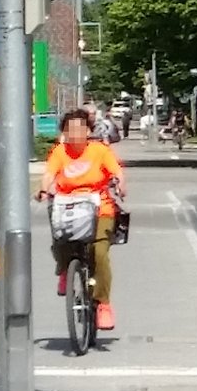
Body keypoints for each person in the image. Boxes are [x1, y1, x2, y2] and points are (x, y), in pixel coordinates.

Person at [39, 110, 127, 331]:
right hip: (68, 206)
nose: (76, 134)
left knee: (99, 254)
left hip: (100, 208)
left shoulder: (100, 150)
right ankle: (64, 270)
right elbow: (49, 174)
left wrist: (120, 183)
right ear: (64, 132)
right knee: (61, 240)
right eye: (70, 129)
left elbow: (116, 171)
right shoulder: (59, 152)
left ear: (88, 130)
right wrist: (43, 189)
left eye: (81, 128)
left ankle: (103, 304)